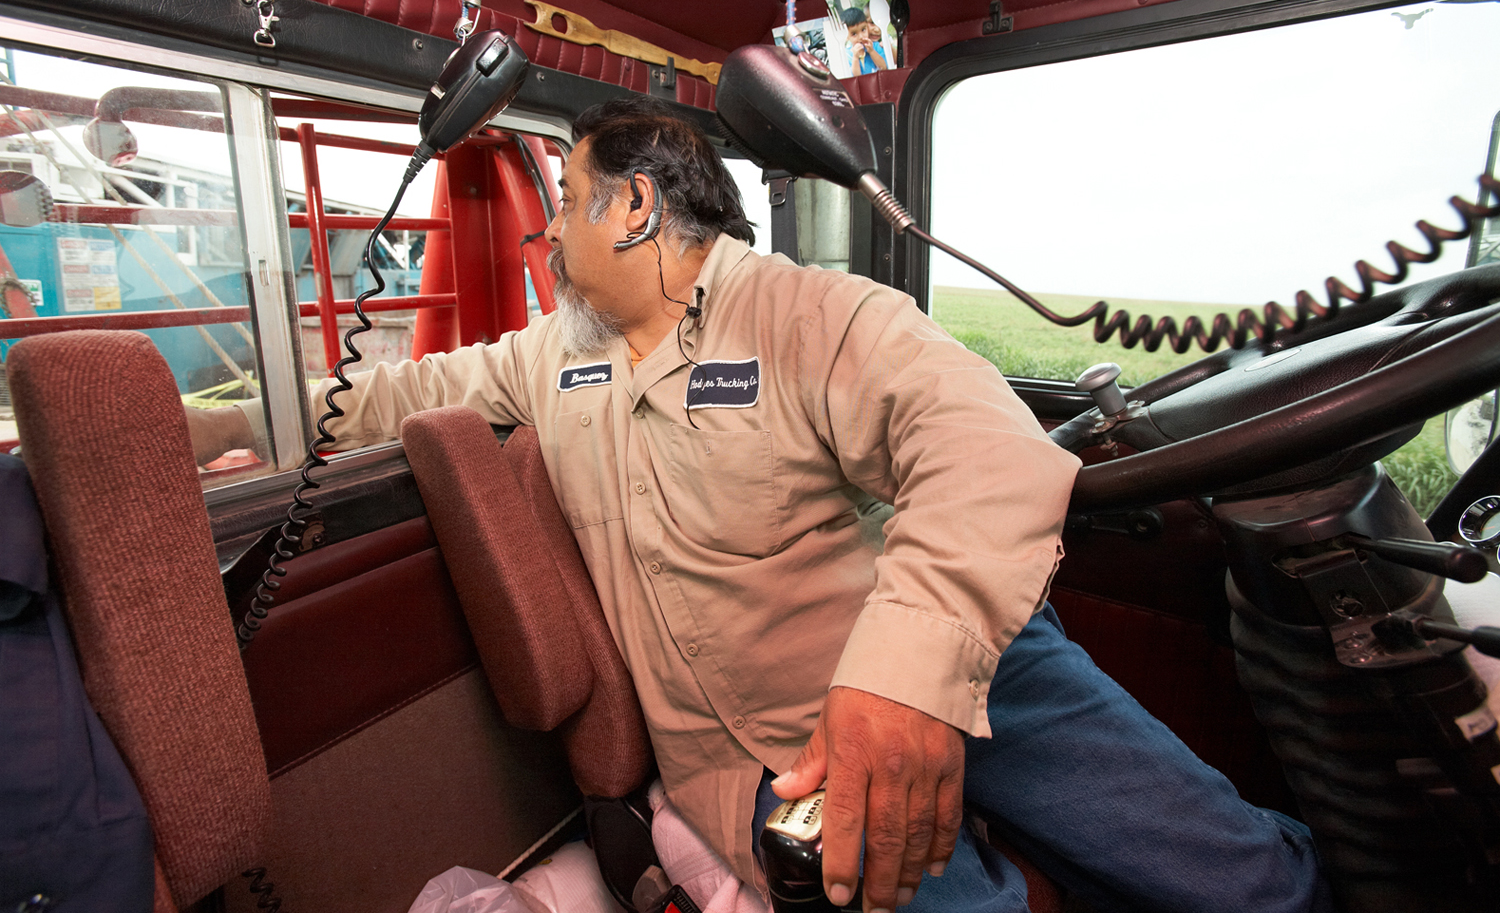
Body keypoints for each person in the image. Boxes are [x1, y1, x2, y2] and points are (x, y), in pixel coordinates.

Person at [188, 96, 1330, 913]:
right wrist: (218, 423)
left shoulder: (811, 314)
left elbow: (989, 447)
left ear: (636, 207)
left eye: (569, 200)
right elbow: (396, 390)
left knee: (1239, 877)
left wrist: (903, 677)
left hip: (967, 659)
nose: (546, 230)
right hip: (772, 749)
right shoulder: (555, 356)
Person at [841, 7, 888, 75]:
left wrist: (871, 51)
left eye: (863, 30)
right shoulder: (847, 55)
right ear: (846, 36)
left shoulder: (876, 46)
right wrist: (855, 57)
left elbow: (883, 67)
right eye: (854, 34)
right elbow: (856, 76)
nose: (861, 37)